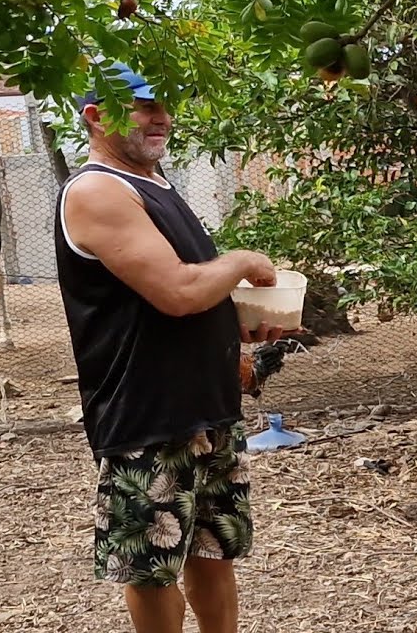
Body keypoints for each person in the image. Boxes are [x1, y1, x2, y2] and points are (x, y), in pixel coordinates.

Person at [54, 61, 282, 633]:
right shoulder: (97, 191)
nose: (161, 118)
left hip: (208, 407)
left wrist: (240, 324)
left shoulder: (154, 184)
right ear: (95, 115)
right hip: (148, 417)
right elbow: (178, 292)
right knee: (153, 570)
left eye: (164, 106)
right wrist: (242, 261)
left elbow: (185, 291)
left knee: (214, 552)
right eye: (144, 107)